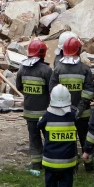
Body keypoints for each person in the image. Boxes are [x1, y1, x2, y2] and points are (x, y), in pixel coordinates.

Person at [50, 35, 94, 171]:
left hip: (64, 113)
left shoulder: (58, 69)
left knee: (69, 139)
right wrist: (80, 108)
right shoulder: (85, 69)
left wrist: (65, 108)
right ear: (79, 50)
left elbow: (52, 90)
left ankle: (73, 165)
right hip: (83, 113)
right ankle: (89, 164)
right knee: (85, 138)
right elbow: (88, 91)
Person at [37, 85, 79, 187]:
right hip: (67, 160)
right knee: (65, 185)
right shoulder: (73, 114)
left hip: (50, 160)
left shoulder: (47, 115)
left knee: (50, 184)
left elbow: (39, 125)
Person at [16, 39, 53, 176]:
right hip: (45, 113)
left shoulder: (22, 69)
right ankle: (49, 161)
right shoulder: (46, 70)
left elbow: (19, 87)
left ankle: (36, 163)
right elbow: (52, 89)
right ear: (43, 53)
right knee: (49, 137)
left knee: (34, 138)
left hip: (29, 112)